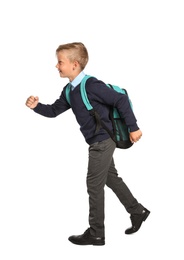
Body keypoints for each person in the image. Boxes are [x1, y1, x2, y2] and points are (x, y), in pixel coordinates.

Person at [25, 42, 150, 246]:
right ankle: (138, 211)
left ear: (74, 64)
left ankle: (96, 233)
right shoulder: (69, 90)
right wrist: (36, 106)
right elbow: (54, 111)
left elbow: (121, 100)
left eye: (60, 62)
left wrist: (133, 127)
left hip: (102, 141)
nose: (56, 66)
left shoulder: (91, 85)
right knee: (111, 178)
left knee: (94, 184)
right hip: (97, 141)